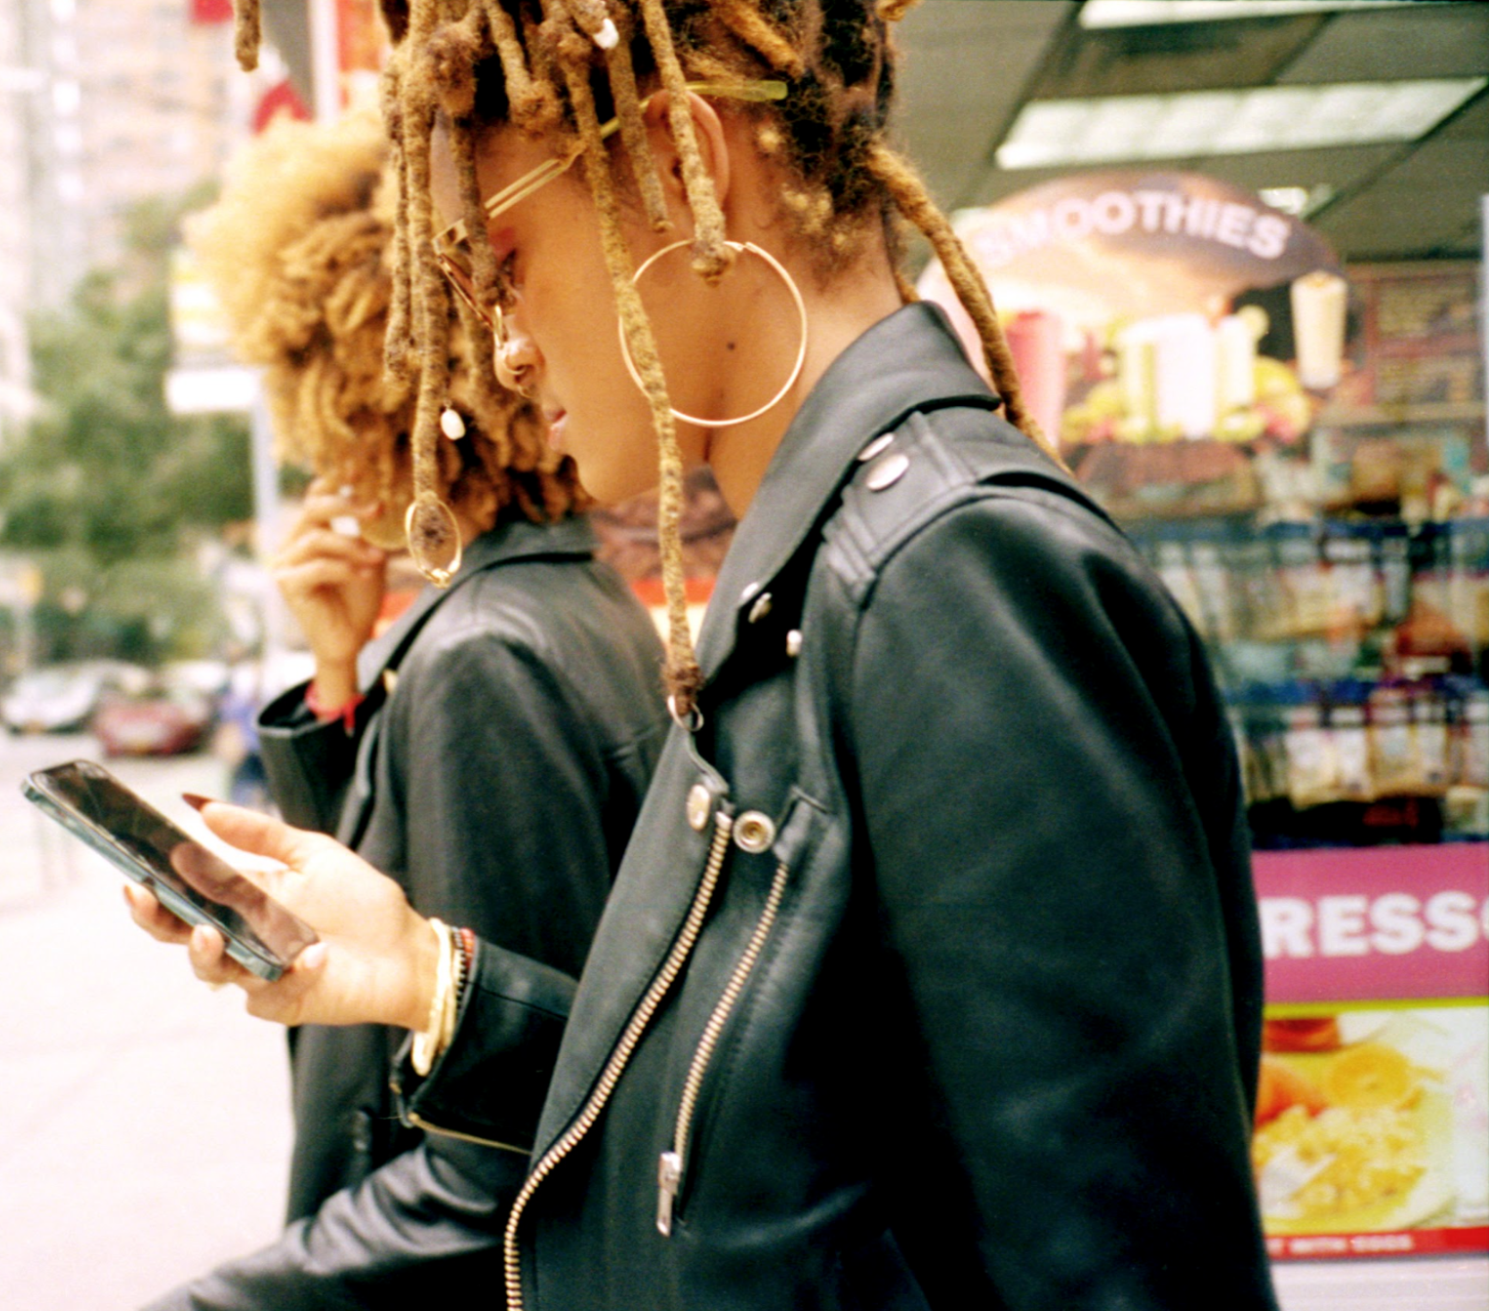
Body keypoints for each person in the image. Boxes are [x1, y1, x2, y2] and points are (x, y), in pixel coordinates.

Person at [130, 1, 1279, 1307]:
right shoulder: (812, 570)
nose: (503, 346)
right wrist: (424, 971)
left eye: (506, 262)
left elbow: (1113, 1271)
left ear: (686, 166)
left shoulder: (944, 569)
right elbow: (770, 1148)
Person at [154, 111, 669, 1307]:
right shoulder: (556, 600)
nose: (313, 454)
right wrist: (336, 680)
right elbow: (408, 922)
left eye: (315, 400)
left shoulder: (482, 657)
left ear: (370, 400)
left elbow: (499, 1151)